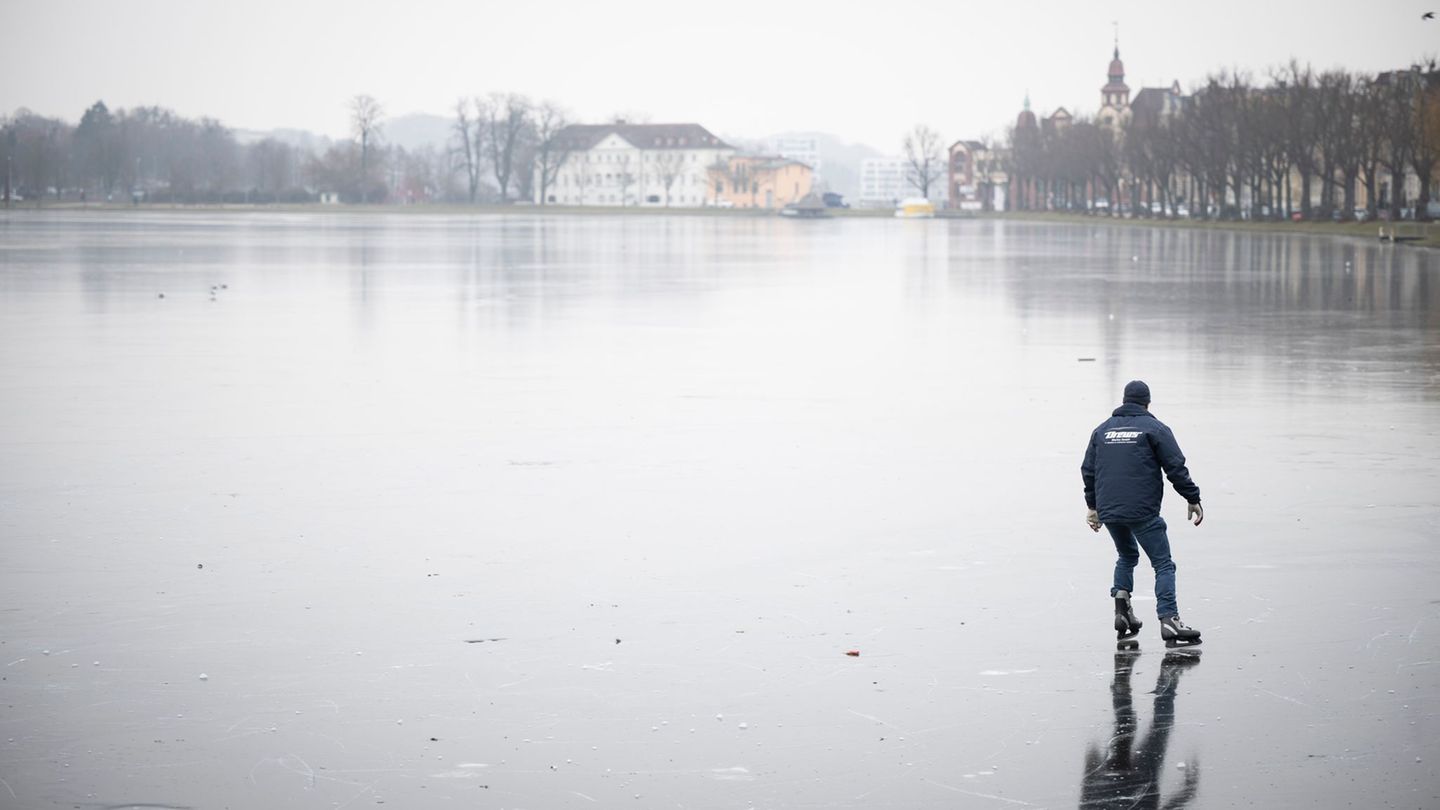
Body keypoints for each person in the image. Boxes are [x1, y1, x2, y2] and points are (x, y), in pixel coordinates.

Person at [1081, 380, 1203, 647]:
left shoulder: (1101, 431)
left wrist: (1093, 507)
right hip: (1142, 511)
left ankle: (1123, 614)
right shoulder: (1155, 429)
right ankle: (1169, 620)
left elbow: (1088, 470)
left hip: (1110, 510)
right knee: (1163, 564)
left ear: (1124, 401)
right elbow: (1175, 467)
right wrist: (1192, 498)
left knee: (1126, 555)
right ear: (1147, 402)